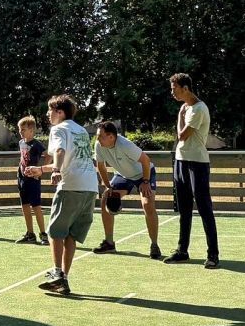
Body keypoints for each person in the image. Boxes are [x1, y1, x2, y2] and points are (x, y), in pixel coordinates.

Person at [39, 95, 98, 296]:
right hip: (90, 186)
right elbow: (75, 159)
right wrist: (42, 169)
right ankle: (63, 279)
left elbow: (60, 151)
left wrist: (55, 170)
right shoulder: (81, 130)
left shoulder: (58, 129)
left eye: (50, 110)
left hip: (70, 185)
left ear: (60, 112)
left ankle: (57, 273)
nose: (48, 114)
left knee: (55, 232)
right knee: (71, 234)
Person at [166, 73, 219, 268]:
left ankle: (213, 255)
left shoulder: (198, 108)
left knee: (204, 209)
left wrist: (181, 116)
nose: (172, 93)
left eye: (175, 89)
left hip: (197, 163)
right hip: (181, 161)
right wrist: (181, 113)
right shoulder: (185, 107)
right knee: (184, 209)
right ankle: (182, 251)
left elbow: (182, 135)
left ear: (185, 88)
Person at [93, 121, 161, 259]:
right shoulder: (99, 145)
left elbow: (146, 160)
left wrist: (146, 182)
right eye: (97, 136)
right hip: (123, 175)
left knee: (147, 204)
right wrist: (108, 186)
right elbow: (101, 165)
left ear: (111, 137)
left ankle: (154, 245)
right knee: (106, 198)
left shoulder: (125, 145)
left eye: (101, 136)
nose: (98, 139)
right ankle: (109, 243)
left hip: (144, 173)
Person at [14, 116, 50, 245]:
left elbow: (49, 155)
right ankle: (30, 234)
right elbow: (23, 158)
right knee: (25, 205)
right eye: (20, 129)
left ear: (31, 130)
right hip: (22, 178)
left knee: (36, 206)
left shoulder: (36, 144)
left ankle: (43, 234)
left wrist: (41, 170)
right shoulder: (21, 143)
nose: (20, 132)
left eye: (23, 129)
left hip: (33, 179)